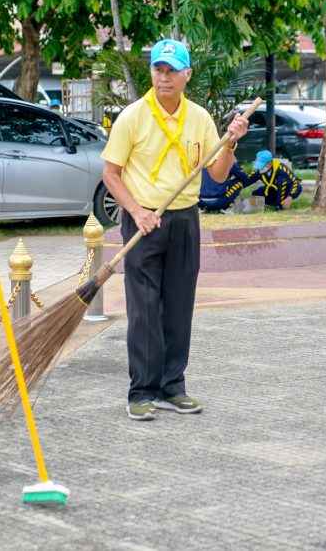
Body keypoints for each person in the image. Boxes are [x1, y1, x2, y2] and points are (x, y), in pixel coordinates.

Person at [101, 38, 249, 421]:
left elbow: (218, 174)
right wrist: (137, 211)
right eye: (158, 69)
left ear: (187, 74)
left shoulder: (199, 118)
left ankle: (172, 387)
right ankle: (141, 391)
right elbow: (111, 174)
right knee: (144, 309)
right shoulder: (133, 116)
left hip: (184, 219)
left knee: (179, 305)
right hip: (143, 221)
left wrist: (231, 143)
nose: (164, 77)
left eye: (171, 71)